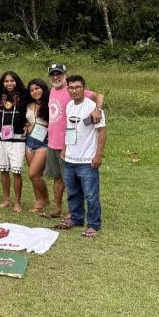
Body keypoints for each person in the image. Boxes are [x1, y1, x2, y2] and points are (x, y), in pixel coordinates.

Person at [43, 62, 104, 219]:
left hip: (69, 145)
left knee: (70, 180)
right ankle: (57, 209)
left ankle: (72, 212)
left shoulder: (72, 90)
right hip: (53, 142)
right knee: (57, 178)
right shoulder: (52, 91)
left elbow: (99, 96)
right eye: (52, 74)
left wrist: (97, 110)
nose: (55, 77)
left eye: (59, 74)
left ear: (65, 75)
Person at [56, 75, 107, 237]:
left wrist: (98, 155)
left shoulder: (93, 108)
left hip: (87, 160)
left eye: (78, 87)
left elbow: (102, 132)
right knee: (73, 192)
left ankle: (94, 225)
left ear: (84, 88)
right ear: (68, 89)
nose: (74, 90)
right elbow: (70, 129)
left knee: (91, 195)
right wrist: (65, 148)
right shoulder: (69, 105)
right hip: (70, 158)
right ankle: (76, 219)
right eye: (71, 88)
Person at [0, 71, 28, 212]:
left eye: (12, 80)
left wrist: (28, 123)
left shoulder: (25, 94)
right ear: (2, 83)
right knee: (4, 170)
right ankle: (7, 199)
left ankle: (17, 202)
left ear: (17, 81)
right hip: (0, 136)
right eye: (6, 81)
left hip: (17, 138)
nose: (9, 83)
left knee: (16, 171)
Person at [24, 78, 51, 213]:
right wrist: (25, 125)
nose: (35, 92)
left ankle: (45, 199)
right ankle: (38, 202)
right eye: (32, 90)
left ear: (43, 89)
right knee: (36, 175)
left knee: (33, 173)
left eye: (37, 88)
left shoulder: (50, 104)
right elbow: (24, 120)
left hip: (43, 142)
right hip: (29, 141)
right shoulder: (28, 104)